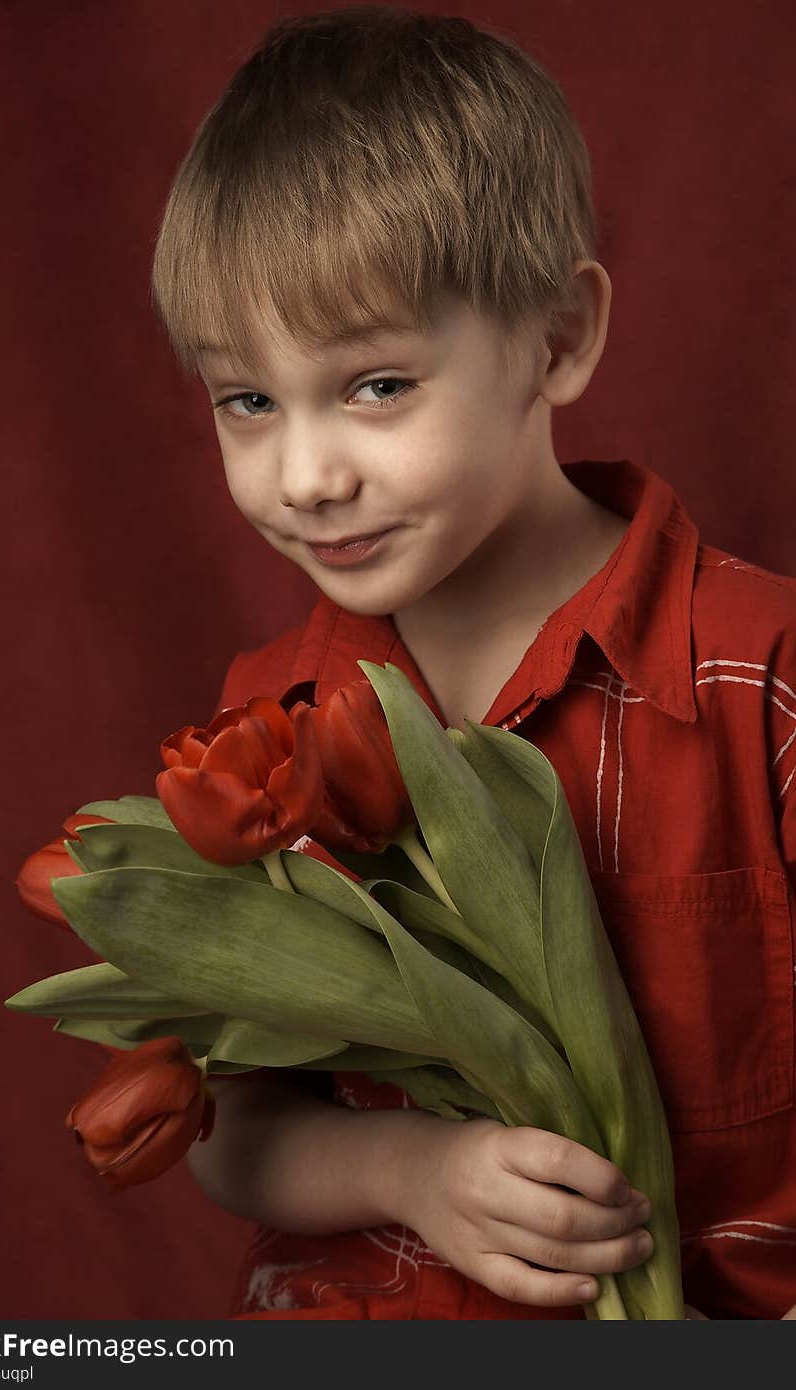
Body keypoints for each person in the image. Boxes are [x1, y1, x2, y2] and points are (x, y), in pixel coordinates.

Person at [149, 6, 796, 1319]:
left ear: (558, 339)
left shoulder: (760, 671)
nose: (307, 474)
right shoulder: (259, 730)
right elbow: (224, 1120)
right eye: (247, 400)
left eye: (377, 384)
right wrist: (414, 1166)